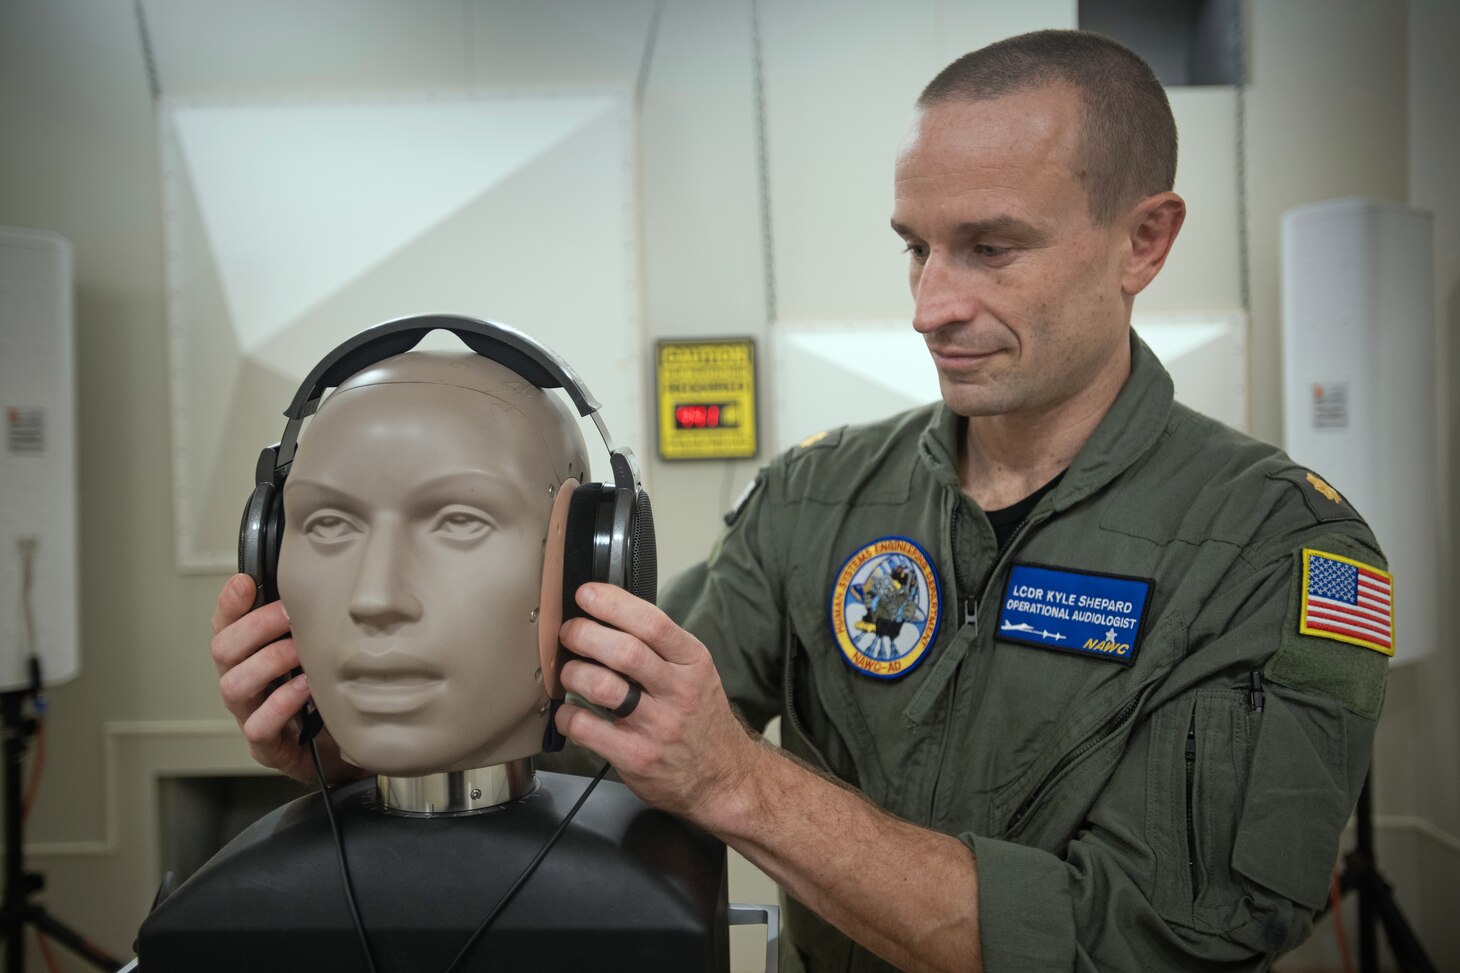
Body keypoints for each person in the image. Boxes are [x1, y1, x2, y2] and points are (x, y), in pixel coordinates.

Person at [212, 30, 1389, 972]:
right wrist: (360, 761)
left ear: (1143, 240)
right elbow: (598, 756)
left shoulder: (1274, 552)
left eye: (989, 248)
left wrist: (739, 781)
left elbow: (1153, 939)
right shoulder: (820, 495)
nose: (930, 304)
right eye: (913, 249)